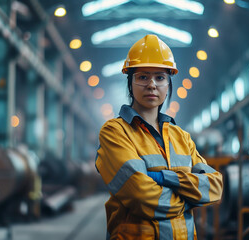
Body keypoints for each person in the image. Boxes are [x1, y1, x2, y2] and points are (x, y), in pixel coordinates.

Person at [95, 34, 223, 240]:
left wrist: (165, 178)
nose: (152, 85)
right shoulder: (115, 132)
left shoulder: (181, 137)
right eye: (143, 77)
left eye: (160, 77)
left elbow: (215, 187)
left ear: (168, 83)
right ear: (131, 83)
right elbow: (141, 196)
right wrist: (189, 200)